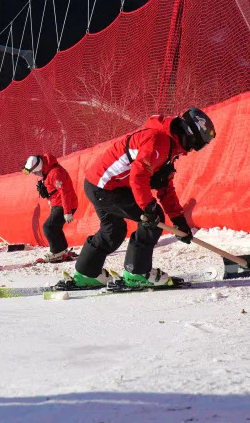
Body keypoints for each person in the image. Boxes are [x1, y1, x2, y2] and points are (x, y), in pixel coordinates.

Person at [71, 107, 216, 289]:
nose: (195, 149)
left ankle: (87, 273)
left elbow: (164, 187)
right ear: (190, 134)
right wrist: (148, 207)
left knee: (114, 230)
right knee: (153, 221)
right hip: (105, 187)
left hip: (101, 184)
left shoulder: (169, 146)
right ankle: (136, 273)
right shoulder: (158, 141)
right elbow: (138, 176)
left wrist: (179, 220)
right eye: (199, 144)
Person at [23, 153, 79, 262]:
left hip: (65, 204)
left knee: (48, 227)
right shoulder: (47, 170)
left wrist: (67, 212)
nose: (35, 174)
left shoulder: (55, 173)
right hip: (57, 203)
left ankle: (56, 252)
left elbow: (64, 192)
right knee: (55, 227)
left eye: (34, 172)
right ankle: (62, 250)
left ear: (38, 167)